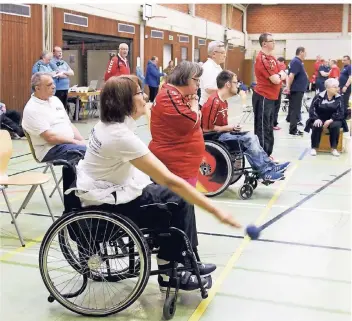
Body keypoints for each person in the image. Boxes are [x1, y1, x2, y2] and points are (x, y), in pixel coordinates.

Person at [73, 75, 241, 292]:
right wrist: (217, 211)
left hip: (106, 190)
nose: (144, 97)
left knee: (171, 193)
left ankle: (185, 261)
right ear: (125, 101)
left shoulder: (107, 125)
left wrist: (147, 110)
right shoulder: (119, 136)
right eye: (138, 93)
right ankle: (171, 271)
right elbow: (169, 180)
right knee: (178, 197)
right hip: (107, 204)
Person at [201, 70, 289, 182]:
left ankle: (269, 167)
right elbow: (206, 129)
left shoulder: (223, 101)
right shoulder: (213, 102)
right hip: (214, 138)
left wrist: (231, 128)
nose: (237, 85)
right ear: (228, 84)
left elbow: (219, 125)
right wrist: (228, 128)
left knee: (252, 136)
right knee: (249, 139)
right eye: (235, 82)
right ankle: (266, 171)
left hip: (221, 134)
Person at [149, 61, 203, 187]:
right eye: (196, 80)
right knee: (180, 204)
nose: (198, 84)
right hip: (176, 168)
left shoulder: (176, 94)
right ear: (186, 78)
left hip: (183, 166)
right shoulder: (169, 97)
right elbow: (192, 121)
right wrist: (195, 103)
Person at [22, 73, 86, 162]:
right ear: (37, 88)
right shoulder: (32, 109)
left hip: (67, 144)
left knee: (94, 148)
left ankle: (75, 175)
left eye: (53, 83)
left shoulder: (55, 100)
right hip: (50, 149)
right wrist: (75, 142)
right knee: (86, 152)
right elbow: (50, 138)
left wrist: (82, 141)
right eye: (49, 85)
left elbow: (69, 124)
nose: (54, 86)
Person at [252, 33, 287, 158]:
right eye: (271, 41)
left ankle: (268, 154)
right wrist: (280, 75)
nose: (274, 43)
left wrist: (280, 75)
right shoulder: (262, 59)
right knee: (262, 127)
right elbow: (276, 79)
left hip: (273, 97)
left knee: (269, 126)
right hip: (263, 97)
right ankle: (262, 156)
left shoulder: (272, 58)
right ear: (264, 43)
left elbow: (283, 73)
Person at [304, 78, 348, 157]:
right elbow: (312, 109)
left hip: (334, 119)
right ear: (327, 88)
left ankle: (333, 148)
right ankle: (314, 147)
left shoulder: (339, 97)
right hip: (319, 118)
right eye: (335, 87)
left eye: (337, 87)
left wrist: (331, 120)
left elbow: (341, 112)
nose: (337, 89)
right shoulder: (319, 96)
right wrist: (316, 119)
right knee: (317, 125)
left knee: (335, 125)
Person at [286, 47, 308, 136]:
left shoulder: (297, 62)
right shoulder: (296, 61)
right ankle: (293, 130)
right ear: (301, 52)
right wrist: (288, 87)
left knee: (294, 109)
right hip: (296, 90)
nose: (306, 54)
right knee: (295, 110)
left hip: (298, 89)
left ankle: (293, 128)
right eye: (305, 52)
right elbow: (291, 76)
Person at [199, 41, 226, 108]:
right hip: (207, 107)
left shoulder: (217, 66)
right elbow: (209, 89)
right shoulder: (208, 67)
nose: (225, 55)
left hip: (215, 105)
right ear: (214, 54)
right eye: (222, 53)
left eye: (225, 53)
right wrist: (227, 90)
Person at [51, 46, 74, 112]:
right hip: (58, 88)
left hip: (66, 87)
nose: (60, 53)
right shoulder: (52, 62)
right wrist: (67, 74)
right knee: (58, 107)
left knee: (64, 107)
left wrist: (64, 72)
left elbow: (72, 73)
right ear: (54, 53)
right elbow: (58, 74)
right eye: (58, 52)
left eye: (61, 52)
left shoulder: (64, 62)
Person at [273, 57, 287, 130]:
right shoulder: (282, 66)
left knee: (274, 107)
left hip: (276, 88)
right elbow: (283, 77)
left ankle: (273, 123)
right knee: (276, 107)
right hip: (277, 88)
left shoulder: (275, 66)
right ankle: (274, 124)